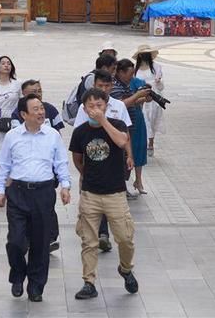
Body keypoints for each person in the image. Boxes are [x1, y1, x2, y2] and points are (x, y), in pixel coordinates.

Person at [0, 94, 71, 303]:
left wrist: (65, 186)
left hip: (43, 193)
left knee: (40, 243)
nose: (40, 112)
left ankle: (36, 286)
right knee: (16, 241)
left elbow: (61, 162)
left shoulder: (52, 135)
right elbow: (4, 165)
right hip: (17, 193)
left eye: (41, 108)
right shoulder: (12, 136)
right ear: (23, 114)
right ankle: (18, 274)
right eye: (35, 109)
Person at [69, 88, 138, 300]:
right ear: (84, 108)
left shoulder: (116, 125)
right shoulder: (80, 132)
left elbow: (121, 141)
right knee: (89, 241)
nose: (95, 109)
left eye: (99, 105)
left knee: (125, 238)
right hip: (90, 194)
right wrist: (85, 176)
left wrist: (103, 121)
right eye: (91, 106)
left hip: (115, 194)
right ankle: (88, 281)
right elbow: (77, 159)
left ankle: (126, 269)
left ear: (106, 106)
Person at [74, 70, 135, 252]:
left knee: (123, 232)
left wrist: (129, 155)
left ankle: (125, 266)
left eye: (107, 86)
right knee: (93, 205)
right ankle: (101, 235)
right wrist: (83, 171)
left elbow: (125, 136)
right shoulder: (85, 106)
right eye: (101, 85)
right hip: (92, 164)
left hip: (115, 163)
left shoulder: (118, 106)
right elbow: (78, 146)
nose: (105, 88)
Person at [10, 80, 64, 253]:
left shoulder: (51, 110)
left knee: (47, 206)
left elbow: (58, 138)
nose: (38, 93)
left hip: (46, 169)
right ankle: (25, 238)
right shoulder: (17, 114)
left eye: (39, 90)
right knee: (23, 209)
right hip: (23, 171)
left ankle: (50, 237)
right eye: (33, 91)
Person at [111, 59, 152, 195]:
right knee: (122, 159)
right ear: (120, 72)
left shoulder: (125, 85)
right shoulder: (116, 86)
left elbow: (130, 102)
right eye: (130, 73)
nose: (132, 76)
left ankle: (124, 186)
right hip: (120, 129)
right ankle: (120, 187)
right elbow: (121, 104)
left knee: (129, 156)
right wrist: (137, 95)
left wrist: (142, 99)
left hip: (130, 128)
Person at [133, 45, 165, 157]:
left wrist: (158, 81)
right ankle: (145, 144)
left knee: (152, 120)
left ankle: (151, 142)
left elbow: (161, 87)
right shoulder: (135, 69)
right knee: (144, 120)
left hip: (153, 98)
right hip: (140, 98)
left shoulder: (156, 67)